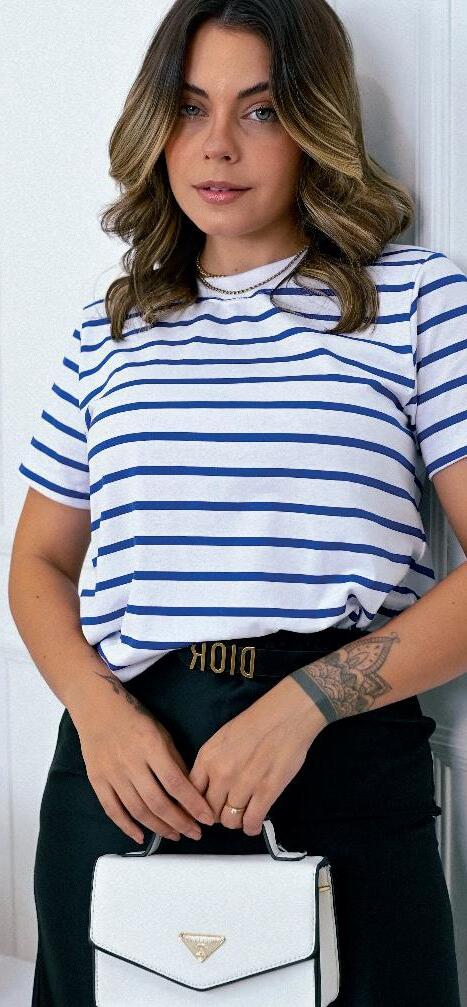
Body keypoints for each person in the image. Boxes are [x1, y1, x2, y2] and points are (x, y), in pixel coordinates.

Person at [8, 0, 466, 1003]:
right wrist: (96, 711)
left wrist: (306, 703)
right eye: (190, 107)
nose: (217, 144)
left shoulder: (416, 301)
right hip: (124, 776)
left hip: (338, 759)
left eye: (260, 110)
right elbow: (38, 559)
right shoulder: (112, 327)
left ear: (314, 125)